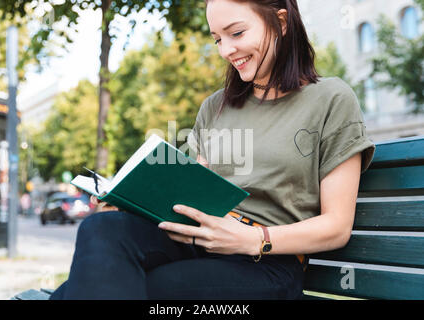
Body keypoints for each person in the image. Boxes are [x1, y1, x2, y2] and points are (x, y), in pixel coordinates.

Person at [50, 0, 375, 300]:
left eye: (236, 33)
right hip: (198, 243)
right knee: (101, 228)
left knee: (93, 291)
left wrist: (252, 238)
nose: (226, 50)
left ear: (281, 22)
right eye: (217, 39)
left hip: (267, 263)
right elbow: (193, 195)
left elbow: (336, 226)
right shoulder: (215, 107)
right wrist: (132, 202)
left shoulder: (331, 98)